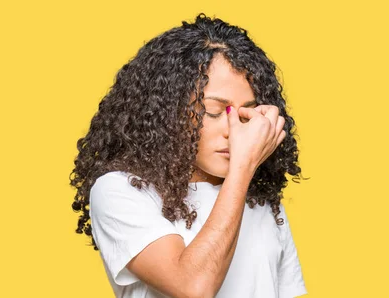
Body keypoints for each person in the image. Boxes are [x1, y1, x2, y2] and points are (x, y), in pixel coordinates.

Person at [69, 13, 308, 298]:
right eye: (215, 111)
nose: (234, 130)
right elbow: (193, 287)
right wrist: (243, 168)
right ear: (168, 111)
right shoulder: (120, 190)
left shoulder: (260, 196)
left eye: (246, 113)